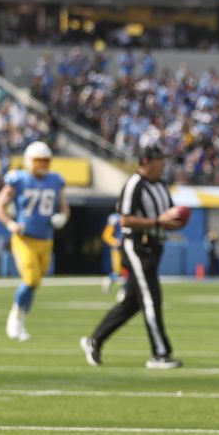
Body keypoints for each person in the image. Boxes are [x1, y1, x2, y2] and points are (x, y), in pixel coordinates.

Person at [80, 144, 186, 369]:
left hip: (156, 246)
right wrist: (157, 222)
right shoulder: (134, 185)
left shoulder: (161, 185)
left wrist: (173, 222)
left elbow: (167, 214)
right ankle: (160, 353)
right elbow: (125, 220)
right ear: (146, 161)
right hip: (136, 246)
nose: (163, 164)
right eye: (159, 159)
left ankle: (95, 340)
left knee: (132, 303)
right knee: (151, 297)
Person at [0, 141, 69, 341]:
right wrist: (10, 224)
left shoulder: (55, 180)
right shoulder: (18, 179)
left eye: (45, 161)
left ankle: (20, 320)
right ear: (28, 161)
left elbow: (64, 206)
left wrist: (62, 217)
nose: (42, 165)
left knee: (35, 282)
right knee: (29, 279)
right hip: (24, 238)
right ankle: (14, 320)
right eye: (38, 161)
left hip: (46, 239)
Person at [100, 212, 124, 294]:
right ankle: (109, 280)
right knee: (118, 271)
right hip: (118, 248)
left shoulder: (133, 215)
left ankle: (124, 291)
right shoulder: (115, 217)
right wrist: (114, 241)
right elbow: (106, 235)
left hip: (130, 246)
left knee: (128, 271)